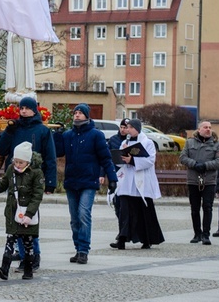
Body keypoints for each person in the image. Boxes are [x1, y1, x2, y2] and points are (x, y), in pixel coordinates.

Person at [0, 96, 56, 270]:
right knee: (17, 217)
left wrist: (50, 181)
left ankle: (33, 255)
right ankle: (24, 256)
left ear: (34, 110)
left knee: (28, 217)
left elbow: (50, 157)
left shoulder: (42, 130)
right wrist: (8, 132)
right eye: (21, 108)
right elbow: (0, 149)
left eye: (26, 108)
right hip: (15, 177)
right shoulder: (14, 128)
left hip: (32, 177)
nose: (23, 111)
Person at [54, 104, 117, 264]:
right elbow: (59, 151)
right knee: (74, 219)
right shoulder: (68, 135)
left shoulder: (96, 135)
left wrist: (112, 178)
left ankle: (83, 250)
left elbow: (105, 158)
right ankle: (77, 249)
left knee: (83, 214)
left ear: (87, 116)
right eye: (75, 113)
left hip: (88, 181)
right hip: (71, 181)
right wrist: (57, 135)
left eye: (80, 113)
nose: (77, 115)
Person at [0, 142, 44, 281]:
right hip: (13, 211)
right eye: (15, 161)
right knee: (10, 240)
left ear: (28, 161)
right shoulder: (11, 169)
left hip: (28, 213)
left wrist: (29, 214)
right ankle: (4, 269)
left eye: (21, 162)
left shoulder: (36, 172)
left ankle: (28, 270)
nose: (17, 165)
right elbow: (2, 184)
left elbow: (37, 196)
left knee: (28, 241)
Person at [110, 119, 165, 250]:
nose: (127, 130)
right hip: (127, 181)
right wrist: (121, 157)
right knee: (124, 211)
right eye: (126, 127)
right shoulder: (125, 142)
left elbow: (150, 160)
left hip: (142, 181)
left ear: (136, 128)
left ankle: (147, 239)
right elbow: (119, 162)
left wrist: (132, 160)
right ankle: (122, 239)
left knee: (143, 212)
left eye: (129, 127)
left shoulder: (148, 143)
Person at [179, 120, 219, 245]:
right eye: (205, 127)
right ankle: (197, 234)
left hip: (209, 180)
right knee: (194, 208)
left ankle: (206, 234)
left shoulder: (216, 144)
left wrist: (205, 165)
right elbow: (182, 157)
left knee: (207, 207)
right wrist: (194, 164)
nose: (208, 129)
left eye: (210, 127)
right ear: (199, 130)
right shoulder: (189, 142)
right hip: (193, 180)